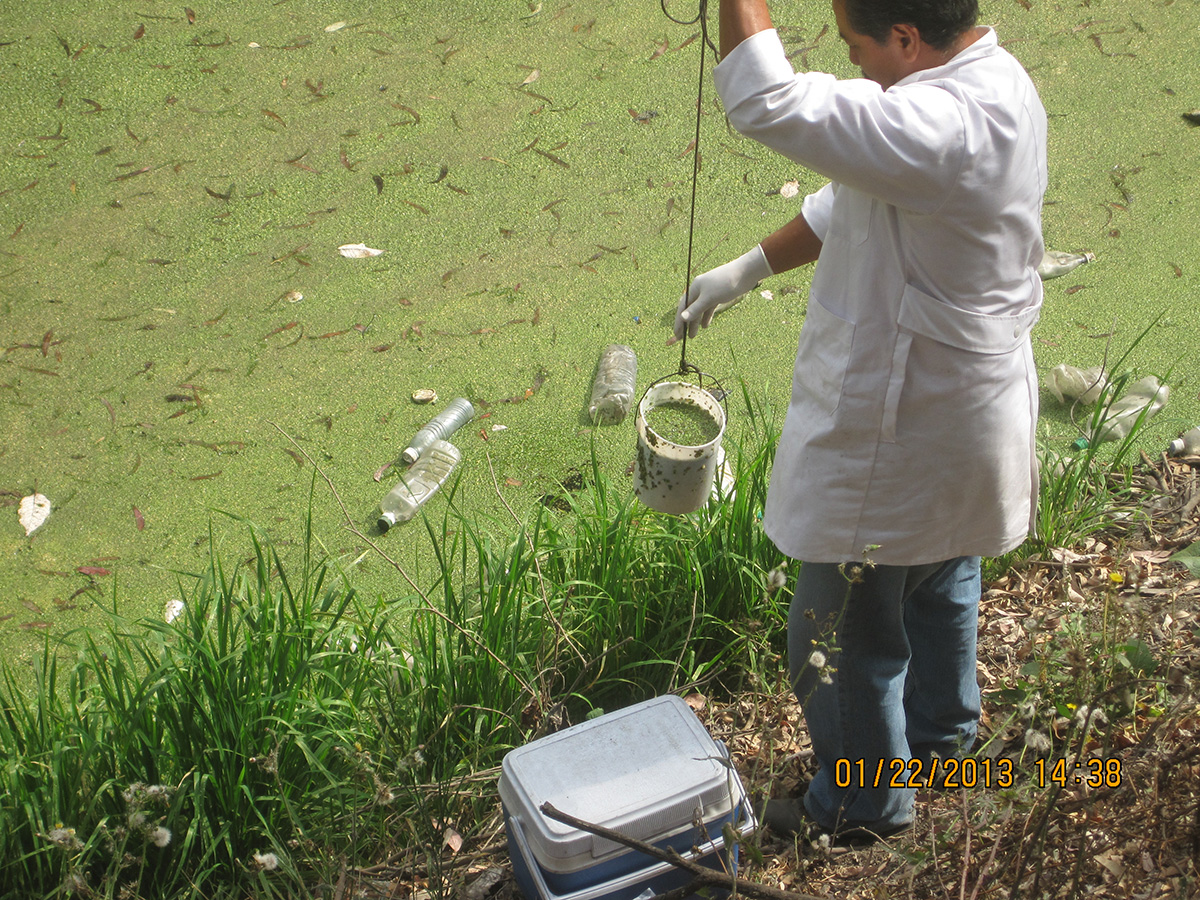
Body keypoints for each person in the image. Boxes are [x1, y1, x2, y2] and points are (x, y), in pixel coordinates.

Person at [675, 0, 1047, 842]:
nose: (854, 63)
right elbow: (858, 187)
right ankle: (943, 745)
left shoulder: (944, 125)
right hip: (969, 418)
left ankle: (862, 806)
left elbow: (766, 100)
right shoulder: (997, 81)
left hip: (907, 427)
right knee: (941, 578)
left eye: (855, 46)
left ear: (907, 38)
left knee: (834, 634)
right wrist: (749, 267)